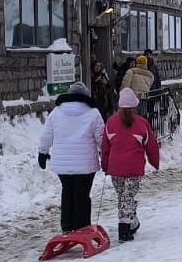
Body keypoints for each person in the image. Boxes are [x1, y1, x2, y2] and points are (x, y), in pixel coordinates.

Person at [38, 83, 104, 236]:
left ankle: (67, 225)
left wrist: (42, 152)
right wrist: (106, 154)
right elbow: (101, 138)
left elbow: (47, 134)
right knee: (82, 195)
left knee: (67, 192)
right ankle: (82, 227)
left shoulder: (56, 111)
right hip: (85, 163)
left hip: (62, 163)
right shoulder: (93, 113)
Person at [102, 88, 160, 242]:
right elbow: (151, 145)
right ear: (135, 106)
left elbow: (105, 146)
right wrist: (155, 161)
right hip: (134, 167)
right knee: (128, 197)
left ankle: (131, 223)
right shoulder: (141, 123)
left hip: (116, 168)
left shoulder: (111, 122)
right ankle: (124, 228)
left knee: (123, 197)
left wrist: (105, 165)